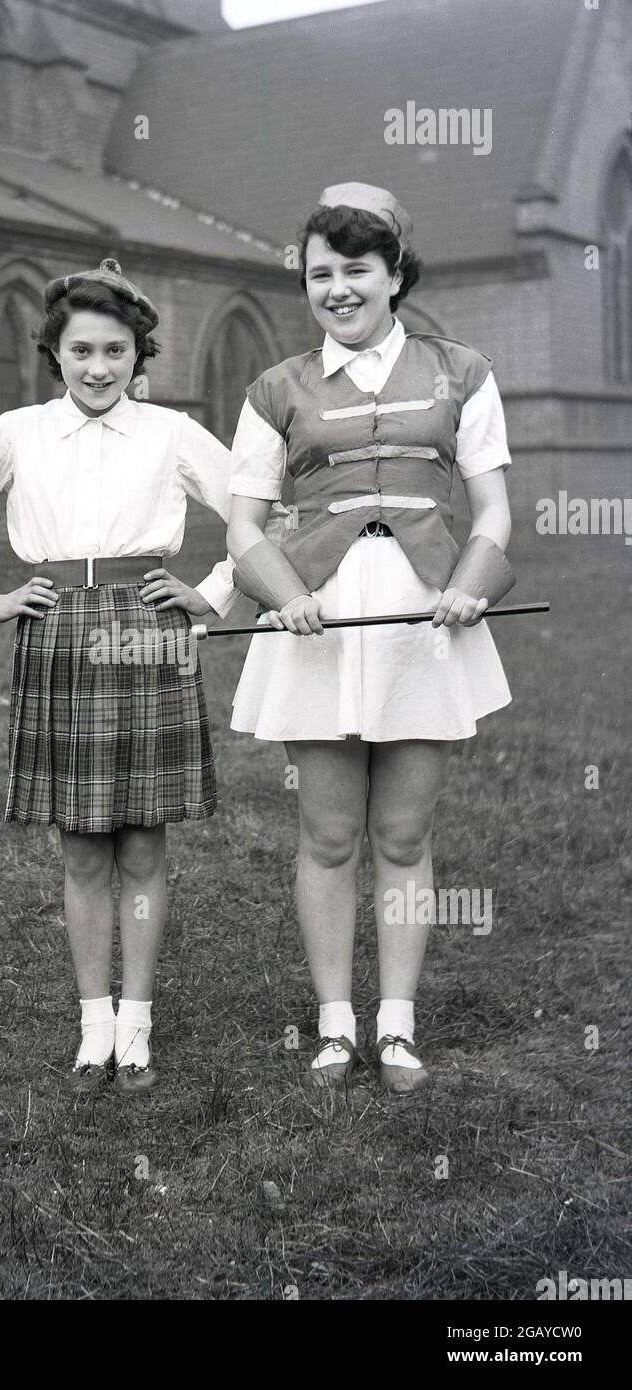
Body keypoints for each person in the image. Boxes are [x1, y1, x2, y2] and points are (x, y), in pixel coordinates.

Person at [0, 259, 243, 1095]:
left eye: (116, 351)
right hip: (56, 630)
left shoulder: (170, 433)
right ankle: (94, 1027)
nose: (98, 368)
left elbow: (261, 513)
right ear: (54, 353)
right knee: (83, 845)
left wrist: (211, 593)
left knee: (145, 839)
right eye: (81, 350)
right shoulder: (17, 433)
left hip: (150, 631)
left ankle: (139, 1024)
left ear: (138, 355)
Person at [226, 183, 514, 1094]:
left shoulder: (461, 370)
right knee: (326, 834)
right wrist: (284, 594)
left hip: (423, 623)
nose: (337, 289)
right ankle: (332, 1025)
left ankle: (395, 1027)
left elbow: (496, 510)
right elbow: (242, 528)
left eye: (356, 270)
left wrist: (469, 590)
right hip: (316, 620)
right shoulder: (275, 388)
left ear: (393, 275)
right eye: (320, 274)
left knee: (402, 834)